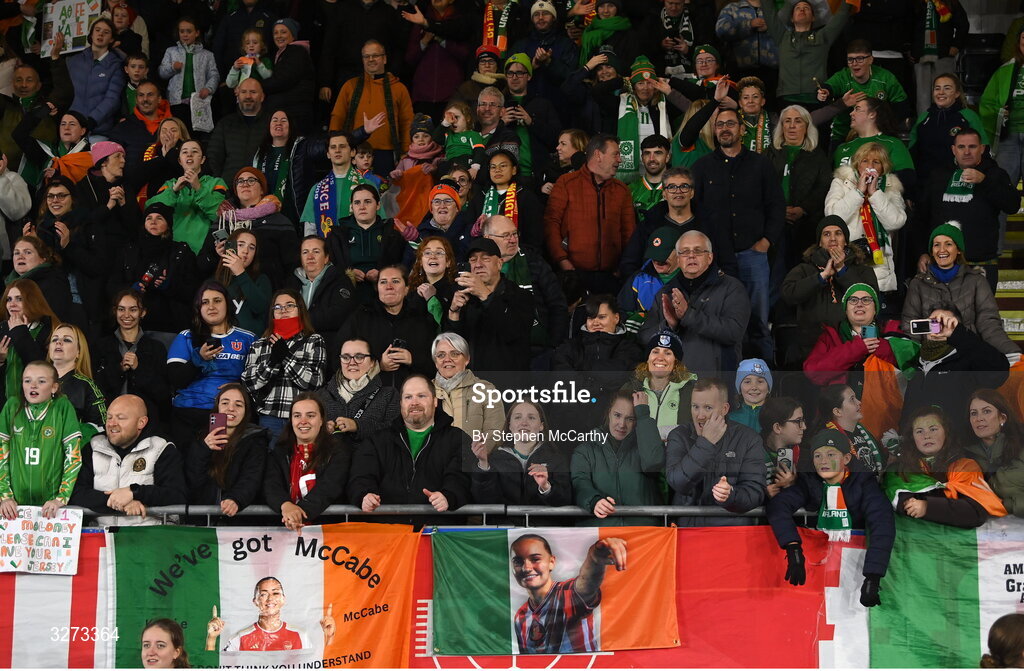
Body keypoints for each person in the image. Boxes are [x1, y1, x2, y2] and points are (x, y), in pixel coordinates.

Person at [766, 428, 894, 608]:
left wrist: (873, 577)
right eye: (817, 456)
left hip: (854, 569)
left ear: (846, 459)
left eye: (831, 454)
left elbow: (882, 523)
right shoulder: (809, 482)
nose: (823, 461)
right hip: (819, 569)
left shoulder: (864, 483)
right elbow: (779, 506)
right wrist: (793, 548)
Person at [692, 107, 783, 359]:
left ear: (742, 129)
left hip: (753, 254)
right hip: (716, 260)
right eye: (720, 124)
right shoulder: (702, 167)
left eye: (730, 123)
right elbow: (696, 213)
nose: (724, 129)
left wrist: (766, 242)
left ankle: (765, 381)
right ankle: (727, 382)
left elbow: (776, 205)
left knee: (758, 323)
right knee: (720, 322)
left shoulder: (761, 165)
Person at [348, 374, 471, 513]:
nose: (414, 402)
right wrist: (364, 496)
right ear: (401, 403)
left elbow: (461, 478)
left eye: (421, 396)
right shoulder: (376, 441)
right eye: (408, 397)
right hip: (389, 529)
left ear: (435, 401)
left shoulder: (457, 439)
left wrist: (449, 496)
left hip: (435, 528)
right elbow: (360, 477)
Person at [639, 230, 750, 377]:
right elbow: (644, 337)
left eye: (698, 251)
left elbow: (733, 332)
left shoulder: (732, 288)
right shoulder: (665, 292)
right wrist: (669, 325)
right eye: (684, 252)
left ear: (710, 257)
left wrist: (689, 315)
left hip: (716, 383)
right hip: (674, 384)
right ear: (678, 260)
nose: (691, 255)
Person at [919, 132, 1017, 294]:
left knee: (982, 317)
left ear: (982, 149)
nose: (966, 152)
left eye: (972, 146)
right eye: (961, 147)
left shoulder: (994, 174)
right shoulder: (938, 175)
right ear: (953, 150)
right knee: (943, 317)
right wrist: (922, 251)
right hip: (942, 262)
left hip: (982, 263)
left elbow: (1012, 206)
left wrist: (985, 181)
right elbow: (922, 217)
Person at [167, 281, 256, 457]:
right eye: (205, 302)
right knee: (189, 465)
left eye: (217, 300)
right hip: (188, 411)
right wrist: (198, 359)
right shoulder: (186, 337)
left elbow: (258, 380)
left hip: (226, 412)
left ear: (228, 304)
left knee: (217, 465)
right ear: (198, 308)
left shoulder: (248, 338)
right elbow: (174, 380)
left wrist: (238, 387)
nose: (211, 306)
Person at [881, 405, 1007, 528]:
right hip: (915, 543)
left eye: (933, 429)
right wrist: (951, 502)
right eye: (919, 431)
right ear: (912, 437)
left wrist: (927, 506)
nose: (926, 435)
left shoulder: (965, 466)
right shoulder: (899, 470)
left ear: (946, 432)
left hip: (957, 545)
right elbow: (901, 501)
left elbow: (976, 511)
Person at [70, 394, 186, 525]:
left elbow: (175, 495)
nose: (112, 423)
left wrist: (135, 492)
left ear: (141, 422)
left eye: (121, 418)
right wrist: (117, 501)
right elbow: (76, 493)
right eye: (109, 417)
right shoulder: (93, 446)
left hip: (149, 537)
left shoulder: (161, 448)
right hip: (103, 537)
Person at [903, 224, 1018, 356]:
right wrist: (914, 364)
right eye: (936, 245)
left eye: (948, 244)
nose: (942, 250)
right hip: (932, 357)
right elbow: (910, 328)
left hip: (968, 354)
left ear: (958, 249)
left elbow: (989, 324)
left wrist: (1012, 353)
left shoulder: (976, 281)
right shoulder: (918, 283)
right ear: (931, 251)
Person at [665, 378, 766, 526]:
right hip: (689, 531)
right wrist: (706, 443)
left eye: (707, 408)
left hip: (731, 533)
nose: (700, 415)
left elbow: (755, 492)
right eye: (695, 407)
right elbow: (678, 482)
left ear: (724, 409)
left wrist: (731, 495)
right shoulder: (679, 435)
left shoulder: (748, 438)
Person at [780, 215, 879, 365]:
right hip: (811, 347)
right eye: (826, 234)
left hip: (852, 346)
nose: (832, 238)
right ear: (820, 242)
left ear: (845, 241)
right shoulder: (804, 269)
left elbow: (871, 300)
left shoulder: (863, 271)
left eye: (838, 233)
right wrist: (821, 277)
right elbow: (788, 295)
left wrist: (842, 270)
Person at [544, 133, 635, 294]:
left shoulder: (622, 190)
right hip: (573, 276)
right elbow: (551, 224)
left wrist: (621, 268)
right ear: (598, 155)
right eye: (615, 154)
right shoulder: (566, 183)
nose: (619, 160)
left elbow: (629, 234)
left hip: (611, 278)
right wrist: (563, 261)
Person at [901, 306, 1010, 436]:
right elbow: (909, 412)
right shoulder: (916, 364)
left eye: (944, 322)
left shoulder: (968, 362)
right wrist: (902, 439)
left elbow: (998, 371)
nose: (939, 327)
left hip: (959, 447)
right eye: (933, 322)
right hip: (922, 448)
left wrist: (959, 334)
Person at [510, 534, 627, 654]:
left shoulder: (568, 593)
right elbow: (526, 661)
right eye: (518, 562)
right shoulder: (520, 616)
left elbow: (587, 583)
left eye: (535, 559)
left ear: (551, 562)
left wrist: (594, 558)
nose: (526, 568)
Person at [0, 360, 82, 520]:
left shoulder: (62, 407)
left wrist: (61, 498)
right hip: (14, 508)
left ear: (54, 387)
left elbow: (73, 457)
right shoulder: (12, 406)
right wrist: (5, 496)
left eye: (41, 381)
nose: (33, 385)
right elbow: (1, 455)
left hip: (52, 509)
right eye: (27, 380)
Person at [571, 391, 666, 526]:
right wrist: (594, 501)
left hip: (643, 533)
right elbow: (579, 483)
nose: (622, 424)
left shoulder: (644, 446)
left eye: (630, 418)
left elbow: (653, 463)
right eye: (617, 415)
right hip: (601, 534)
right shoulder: (585, 450)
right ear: (608, 414)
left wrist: (643, 415)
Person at [823, 142, 907, 294]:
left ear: (883, 167)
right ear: (857, 164)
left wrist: (875, 193)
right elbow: (833, 216)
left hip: (878, 265)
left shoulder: (890, 186)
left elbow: (896, 222)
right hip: (846, 260)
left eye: (876, 162)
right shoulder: (842, 182)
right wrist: (859, 192)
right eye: (865, 161)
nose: (870, 165)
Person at [483, 215, 568, 362]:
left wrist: (553, 345)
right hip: (494, 352)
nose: (513, 240)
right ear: (487, 237)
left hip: (536, 351)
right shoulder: (477, 266)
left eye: (515, 234)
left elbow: (557, 305)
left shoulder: (534, 262)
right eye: (505, 235)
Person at [242, 290, 327, 435]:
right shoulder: (259, 344)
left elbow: (314, 382)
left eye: (289, 305)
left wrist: (286, 357)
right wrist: (272, 362)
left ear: (300, 310)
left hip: (303, 418)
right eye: (278, 307)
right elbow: (249, 383)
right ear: (272, 313)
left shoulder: (314, 340)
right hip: (269, 417)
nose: (283, 310)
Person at [263, 393, 351, 531]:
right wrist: (285, 505)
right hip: (283, 534)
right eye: (297, 416)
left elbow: (329, 488)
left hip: (327, 535)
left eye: (310, 416)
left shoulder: (338, 451)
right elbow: (271, 485)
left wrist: (297, 515)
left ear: (322, 420)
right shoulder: (279, 452)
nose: (303, 421)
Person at [108, 202, 199, 334]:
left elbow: (194, 290)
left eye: (159, 218)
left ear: (168, 224)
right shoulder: (129, 250)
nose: (153, 222)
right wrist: (129, 290)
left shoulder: (181, 251)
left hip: (171, 326)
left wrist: (170, 286)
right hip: (133, 327)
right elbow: (111, 286)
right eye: (149, 218)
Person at [445, 237, 533, 373]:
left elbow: (513, 332)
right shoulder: (462, 296)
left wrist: (485, 295)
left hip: (508, 386)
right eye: (473, 260)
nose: (478, 264)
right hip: (471, 384)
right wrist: (453, 313)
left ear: (499, 263)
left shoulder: (520, 296)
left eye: (485, 258)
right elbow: (453, 346)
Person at [338, 265, 437, 385]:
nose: (389, 287)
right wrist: (378, 365)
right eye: (383, 282)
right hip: (371, 396)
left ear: (406, 289)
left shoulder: (421, 320)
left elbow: (437, 364)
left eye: (395, 281)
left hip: (412, 396)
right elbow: (339, 360)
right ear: (377, 288)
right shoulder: (360, 318)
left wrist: (413, 360)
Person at [329, 39, 414, 173]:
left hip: (387, 153)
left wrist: (406, 152)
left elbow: (407, 122)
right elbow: (337, 117)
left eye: (375, 55)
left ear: (384, 59)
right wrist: (333, 147)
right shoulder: (350, 86)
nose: (371, 59)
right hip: (355, 152)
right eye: (366, 56)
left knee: (385, 192)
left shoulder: (398, 88)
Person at [803, 284, 906, 390]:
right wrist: (857, 348)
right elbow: (813, 373)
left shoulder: (892, 332)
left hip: (885, 402)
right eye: (853, 300)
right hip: (842, 404)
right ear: (846, 310)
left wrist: (878, 346)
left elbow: (910, 365)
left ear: (875, 309)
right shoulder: (830, 336)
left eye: (866, 300)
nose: (859, 304)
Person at [763, 105, 832, 264]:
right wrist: (778, 210)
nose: (792, 126)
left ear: (807, 126)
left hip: (806, 227)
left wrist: (803, 209)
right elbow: (761, 187)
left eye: (798, 121)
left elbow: (823, 187)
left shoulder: (817, 156)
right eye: (787, 121)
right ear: (781, 126)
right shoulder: (769, 154)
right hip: (773, 225)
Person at [471, 400, 572, 506]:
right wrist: (483, 463)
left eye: (531, 417)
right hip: (505, 523)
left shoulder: (557, 460)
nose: (524, 423)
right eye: (518, 417)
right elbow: (483, 501)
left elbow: (566, 500)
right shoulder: (494, 460)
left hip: (542, 523)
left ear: (541, 426)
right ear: (509, 425)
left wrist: (546, 486)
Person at [187, 384, 267, 514]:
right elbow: (193, 481)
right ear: (217, 407)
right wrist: (203, 449)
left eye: (238, 405)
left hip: (238, 520)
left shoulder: (256, 440)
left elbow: (252, 478)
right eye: (225, 403)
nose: (231, 408)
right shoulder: (200, 437)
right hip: (204, 518)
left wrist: (235, 499)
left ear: (246, 411)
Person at [92, 290, 170, 422]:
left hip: (146, 420)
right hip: (108, 418)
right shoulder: (101, 346)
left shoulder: (156, 348)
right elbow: (95, 388)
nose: (126, 315)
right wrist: (119, 369)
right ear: (115, 311)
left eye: (133, 309)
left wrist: (138, 368)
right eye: (121, 309)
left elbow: (163, 393)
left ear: (143, 312)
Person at [817, 39, 909, 149]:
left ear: (870, 59)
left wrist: (884, 125)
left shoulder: (885, 78)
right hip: (844, 135)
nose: (854, 64)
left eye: (860, 59)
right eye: (850, 59)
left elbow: (902, 107)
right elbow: (828, 88)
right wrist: (824, 93)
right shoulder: (842, 76)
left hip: (878, 134)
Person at [761, 0, 851, 106]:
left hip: (816, 98)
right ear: (791, 18)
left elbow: (842, 14)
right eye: (797, 8)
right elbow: (768, 11)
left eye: (806, 8)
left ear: (813, 17)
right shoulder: (782, 36)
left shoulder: (823, 37)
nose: (802, 9)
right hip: (787, 98)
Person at [206, 576, 332, 651]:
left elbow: (319, 665)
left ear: (284, 599)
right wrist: (211, 639)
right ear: (255, 601)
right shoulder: (240, 638)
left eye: (275, 593)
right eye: (263, 594)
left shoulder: (300, 636)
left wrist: (329, 638)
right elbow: (217, 667)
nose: (270, 599)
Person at [147, 139, 229, 255]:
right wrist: (173, 191)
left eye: (194, 151)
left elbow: (220, 215)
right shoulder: (170, 185)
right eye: (184, 152)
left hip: (203, 252)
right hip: (172, 252)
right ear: (180, 161)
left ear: (203, 159)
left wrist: (198, 188)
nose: (189, 154)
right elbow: (150, 209)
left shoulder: (216, 183)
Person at [909, 74, 987, 188]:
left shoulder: (968, 116)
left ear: (957, 93)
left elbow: (983, 149)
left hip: (958, 182)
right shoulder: (924, 117)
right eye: (937, 88)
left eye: (947, 88)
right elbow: (912, 152)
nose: (941, 92)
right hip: (926, 183)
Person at [315, 338, 399, 443]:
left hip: (373, 458)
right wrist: (321, 430)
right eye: (346, 357)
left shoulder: (389, 395)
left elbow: (395, 433)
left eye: (359, 357)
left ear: (373, 362)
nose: (352, 362)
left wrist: (357, 426)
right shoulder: (320, 396)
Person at [401, 0, 473, 122]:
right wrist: (424, 41)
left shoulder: (460, 21)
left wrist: (442, 41)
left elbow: (465, 54)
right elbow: (410, 58)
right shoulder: (420, 18)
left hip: (451, 95)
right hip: (423, 94)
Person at [553, 295, 643, 392]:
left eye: (602, 317)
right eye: (591, 318)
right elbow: (563, 379)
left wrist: (582, 369)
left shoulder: (630, 349)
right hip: (576, 403)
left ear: (616, 318)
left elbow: (618, 376)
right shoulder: (570, 347)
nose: (595, 322)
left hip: (614, 405)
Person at [622, 168, 699, 278]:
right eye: (671, 187)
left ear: (692, 193)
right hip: (656, 291)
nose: (678, 191)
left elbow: (725, 263)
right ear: (664, 194)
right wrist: (645, 288)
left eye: (684, 186)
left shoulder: (708, 224)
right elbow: (629, 263)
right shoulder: (649, 224)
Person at [53, 18, 125, 135]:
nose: (100, 34)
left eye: (106, 32)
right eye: (97, 30)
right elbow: (61, 88)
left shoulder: (116, 65)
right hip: (71, 131)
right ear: (91, 35)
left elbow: (112, 99)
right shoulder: (73, 61)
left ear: (111, 39)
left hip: (99, 131)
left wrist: (91, 120)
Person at [301, 130, 376, 238]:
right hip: (328, 251)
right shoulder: (317, 190)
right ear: (328, 154)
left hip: (360, 251)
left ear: (353, 152)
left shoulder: (368, 186)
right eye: (333, 147)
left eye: (342, 146)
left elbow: (379, 224)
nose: (337, 150)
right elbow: (310, 231)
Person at [469, 147, 543, 251]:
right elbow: (469, 231)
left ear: (514, 170)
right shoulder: (480, 197)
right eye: (493, 167)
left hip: (518, 255)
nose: (497, 170)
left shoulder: (526, 197)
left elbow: (534, 235)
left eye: (503, 166)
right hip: (486, 256)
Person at [285, 236, 358, 341]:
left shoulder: (340, 281)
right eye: (305, 252)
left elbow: (339, 316)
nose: (310, 257)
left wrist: (298, 320)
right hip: (293, 343)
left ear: (326, 258)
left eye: (316, 252)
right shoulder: (290, 283)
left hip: (327, 344)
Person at [966, 389, 1024, 519]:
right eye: (973, 413)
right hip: (993, 528)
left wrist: (1005, 504)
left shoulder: (1020, 445)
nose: (979, 419)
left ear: (1002, 417)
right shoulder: (967, 456)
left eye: (986, 411)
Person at [0, 279, 60, 405]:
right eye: (9, 299)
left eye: (19, 299)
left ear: (32, 301)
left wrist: (20, 332)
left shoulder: (49, 328)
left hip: (36, 406)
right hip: (5, 407)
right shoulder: (2, 328)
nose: (12, 304)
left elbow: (42, 367)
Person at [624, 329, 696, 434]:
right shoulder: (630, 389)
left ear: (676, 362)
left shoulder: (691, 391)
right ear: (648, 358)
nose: (660, 358)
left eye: (667, 353)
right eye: (655, 352)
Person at [47, 323, 106, 441]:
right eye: (54, 339)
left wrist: (71, 437)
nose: (58, 342)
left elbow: (102, 427)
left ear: (79, 351)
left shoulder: (87, 386)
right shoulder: (33, 381)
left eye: (67, 340)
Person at [158, 17, 219, 132]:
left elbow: (214, 75)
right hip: (176, 102)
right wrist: (172, 68)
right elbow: (161, 73)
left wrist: (209, 88)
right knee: (178, 133)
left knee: (197, 133)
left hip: (199, 102)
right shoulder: (171, 51)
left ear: (197, 33)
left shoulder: (207, 55)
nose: (185, 35)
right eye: (182, 31)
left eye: (189, 31)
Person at [205, 229, 271, 335]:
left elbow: (260, 308)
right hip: (222, 344)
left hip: (252, 344)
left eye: (251, 247)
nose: (246, 251)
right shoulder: (214, 281)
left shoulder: (261, 279)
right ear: (230, 247)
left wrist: (240, 273)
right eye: (241, 245)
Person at [618, 226, 683, 334]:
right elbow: (621, 311)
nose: (657, 260)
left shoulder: (691, 279)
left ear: (679, 252)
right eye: (654, 255)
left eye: (663, 256)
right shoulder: (638, 279)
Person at [816, 384, 888, 478]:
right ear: (837, 412)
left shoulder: (863, 431)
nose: (859, 402)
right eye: (852, 399)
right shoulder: (829, 441)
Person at [206, 77, 270, 184]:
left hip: (262, 189)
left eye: (253, 92)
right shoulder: (225, 124)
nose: (248, 96)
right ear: (238, 95)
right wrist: (218, 186)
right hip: (228, 190)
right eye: (244, 92)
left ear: (262, 96)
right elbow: (213, 157)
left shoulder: (272, 124)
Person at [258, 19, 315, 134]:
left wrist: (256, 86)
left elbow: (282, 80)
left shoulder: (296, 52)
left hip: (296, 115)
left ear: (293, 35)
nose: (279, 36)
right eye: (275, 33)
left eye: (283, 32)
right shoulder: (284, 53)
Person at [759, 396, 804, 497]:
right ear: (778, 427)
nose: (804, 427)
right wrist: (763, 494)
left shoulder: (806, 456)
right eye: (798, 421)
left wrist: (793, 485)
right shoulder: (751, 453)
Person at [409, 236, 457, 326]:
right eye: (427, 253)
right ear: (420, 261)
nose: (433, 256)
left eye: (439, 253)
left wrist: (431, 298)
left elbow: (448, 327)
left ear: (448, 262)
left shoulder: (455, 291)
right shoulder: (411, 289)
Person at [628, 134, 671, 215]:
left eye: (657, 153)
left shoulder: (678, 188)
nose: (652, 159)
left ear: (667, 157)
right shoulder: (630, 190)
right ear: (642, 157)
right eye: (647, 153)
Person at [728, 357, 772, 431]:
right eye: (747, 382)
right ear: (739, 388)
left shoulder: (777, 417)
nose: (754, 387)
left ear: (768, 388)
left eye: (760, 381)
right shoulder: (730, 419)